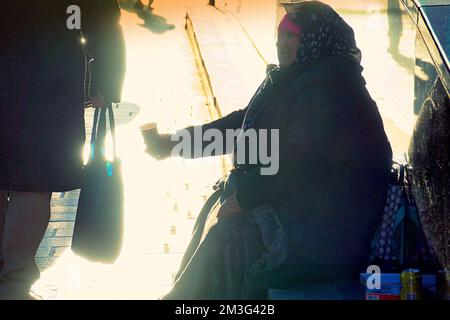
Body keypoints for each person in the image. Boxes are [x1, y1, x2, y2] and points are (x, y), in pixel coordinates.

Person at [146, 1, 392, 299]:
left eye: (292, 36)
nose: (282, 43)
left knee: (229, 238)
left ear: (315, 40)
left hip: (329, 230)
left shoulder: (331, 90)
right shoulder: (297, 80)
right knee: (219, 209)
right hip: (307, 206)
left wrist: (247, 198)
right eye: (280, 35)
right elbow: (243, 129)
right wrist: (174, 144)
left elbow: (304, 163)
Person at [0, 0, 126, 300]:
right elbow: (101, 20)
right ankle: (12, 285)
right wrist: (106, 81)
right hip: (50, 85)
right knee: (33, 185)